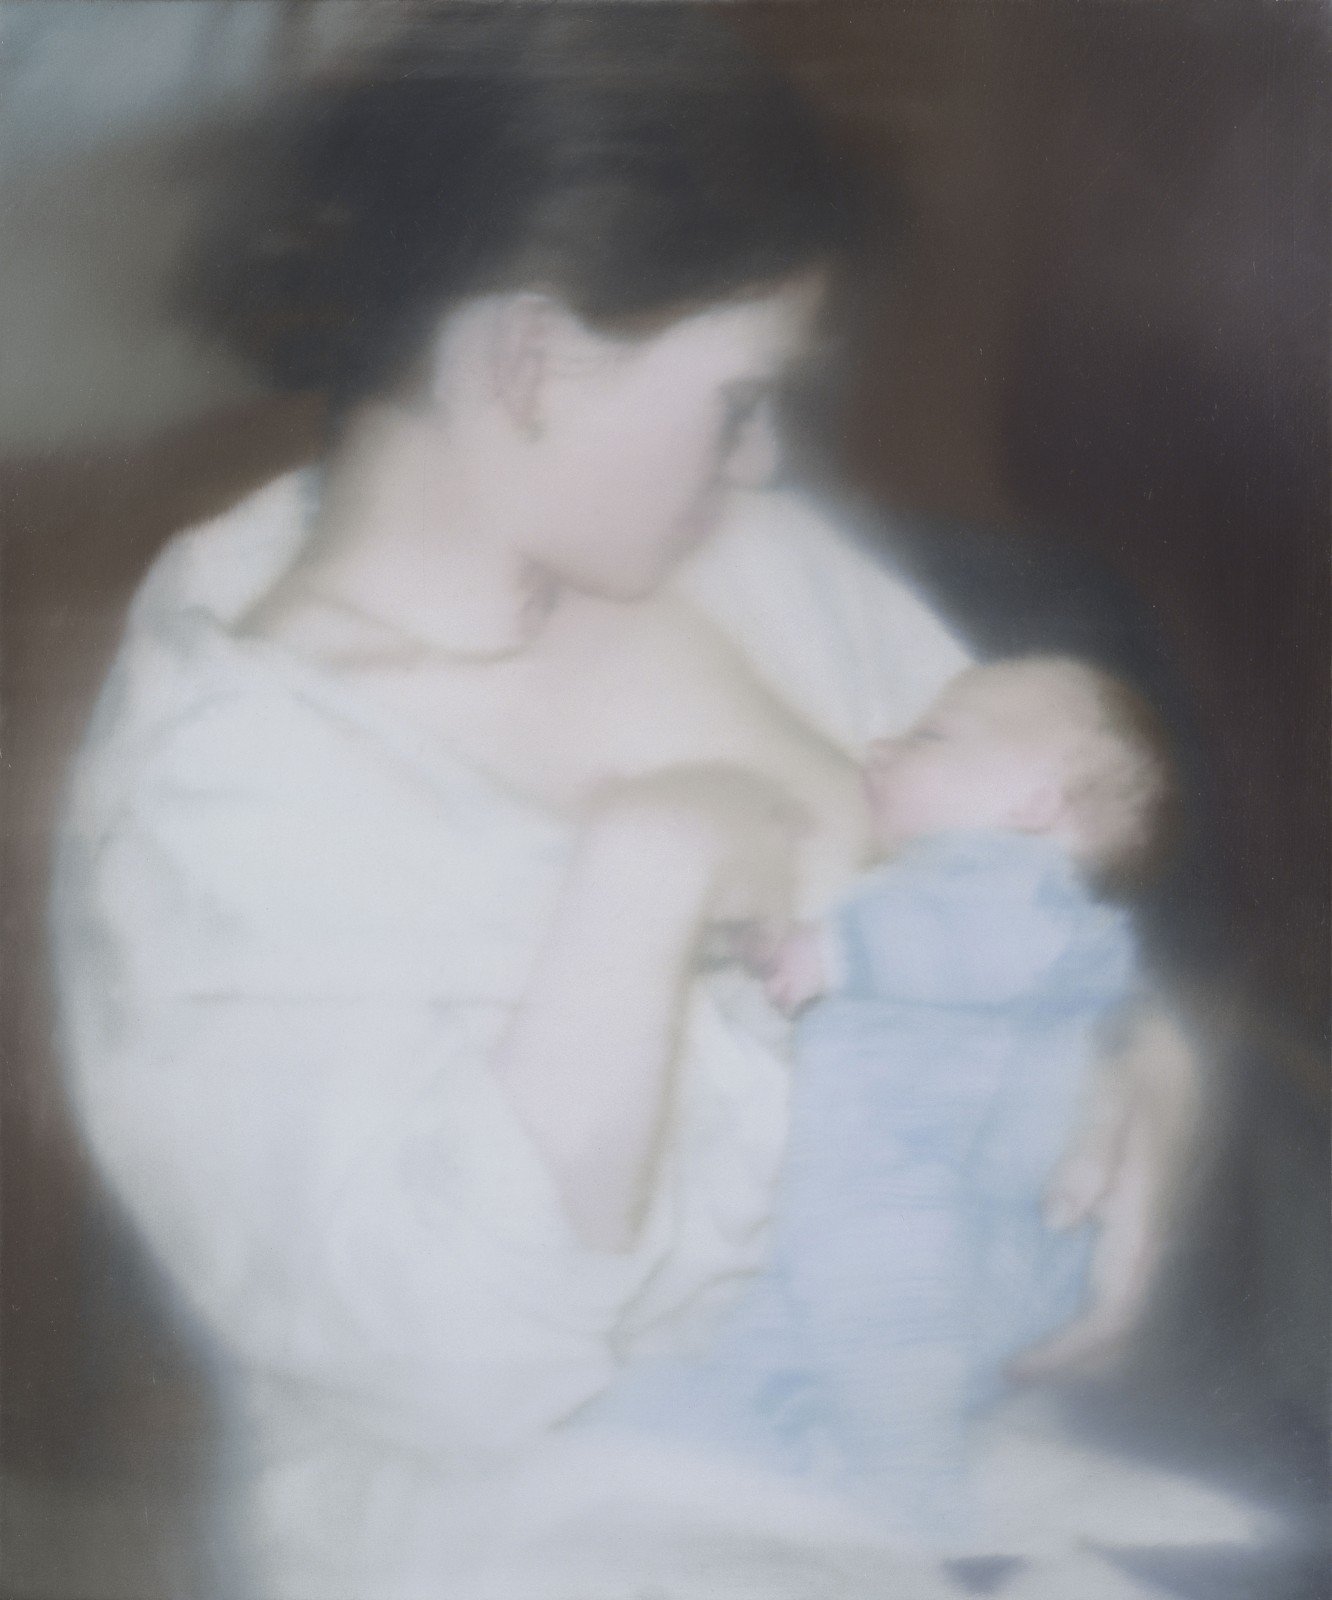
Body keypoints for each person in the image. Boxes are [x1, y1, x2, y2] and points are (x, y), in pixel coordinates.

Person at [50, 9, 1209, 1596]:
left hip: (948, 1433)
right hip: (563, 1527)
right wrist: (646, 871)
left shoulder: (732, 556)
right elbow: (448, 1362)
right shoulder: (223, 806)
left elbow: (1043, 823)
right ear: (527, 361)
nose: (762, 465)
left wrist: (1148, 1074)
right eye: (737, 400)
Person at [578, 656, 1180, 1547]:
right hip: (886, 1199)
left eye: (932, 735)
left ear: (1035, 806)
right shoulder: (924, 895)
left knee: (878, 1336)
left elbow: (998, 942)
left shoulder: (1009, 883)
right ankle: (738, 1436)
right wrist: (796, 948)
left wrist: (833, 952)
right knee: (798, 1336)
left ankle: (911, 1506)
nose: (879, 746)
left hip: (923, 1197)